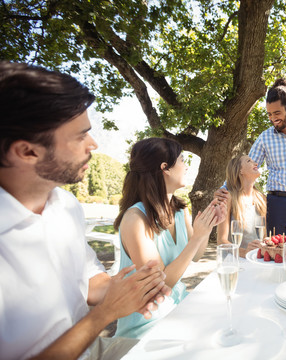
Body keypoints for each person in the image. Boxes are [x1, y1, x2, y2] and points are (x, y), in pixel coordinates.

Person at [0, 61, 170, 360]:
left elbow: (89, 280)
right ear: (27, 151)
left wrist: (132, 290)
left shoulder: (65, 206)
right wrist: (105, 314)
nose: (94, 143)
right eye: (80, 136)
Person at [113, 137, 225, 338]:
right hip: (146, 325)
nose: (187, 167)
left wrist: (207, 227)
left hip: (179, 308)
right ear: (165, 168)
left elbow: (197, 255)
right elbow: (160, 284)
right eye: (182, 160)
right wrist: (196, 237)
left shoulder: (180, 211)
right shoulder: (135, 219)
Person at [216, 78, 286, 251]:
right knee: (275, 254)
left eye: (276, 113)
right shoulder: (265, 137)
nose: (272, 118)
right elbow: (245, 167)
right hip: (276, 205)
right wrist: (224, 189)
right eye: (269, 114)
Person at [216, 155, 267, 258]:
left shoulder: (261, 198)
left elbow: (264, 237)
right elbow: (221, 241)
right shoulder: (228, 197)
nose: (256, 163)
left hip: (256, 259)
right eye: (249, 161)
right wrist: (245, 252)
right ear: (240, 171)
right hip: (234, 260)